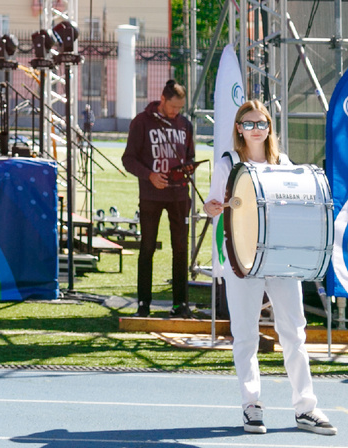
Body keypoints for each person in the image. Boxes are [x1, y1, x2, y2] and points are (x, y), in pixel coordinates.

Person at [204, 101, 337, 436]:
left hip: (281, 257)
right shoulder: (228, 163)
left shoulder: (283, 164)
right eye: (249, 124)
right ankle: (251, 405)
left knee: (294, 332)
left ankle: (306, 408)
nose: (256, 129)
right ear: (238, 128)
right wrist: (212, 207)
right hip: (242, 259)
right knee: (246, 334)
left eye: (261, 123)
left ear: (269, 127)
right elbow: (211, 205)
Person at [122, 79, 195, 318]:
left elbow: (190, 156)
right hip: (151, 195)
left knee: (181, 249)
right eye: (173, 107)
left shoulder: (185, 124)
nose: (176, 112)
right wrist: (150, 175)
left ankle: (180, 304)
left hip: (179, 195)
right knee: (147, 247)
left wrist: (188, 168)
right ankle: (144, 303)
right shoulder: (141, 122)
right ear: (162, 99)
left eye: (180, 108)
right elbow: (128, 159)